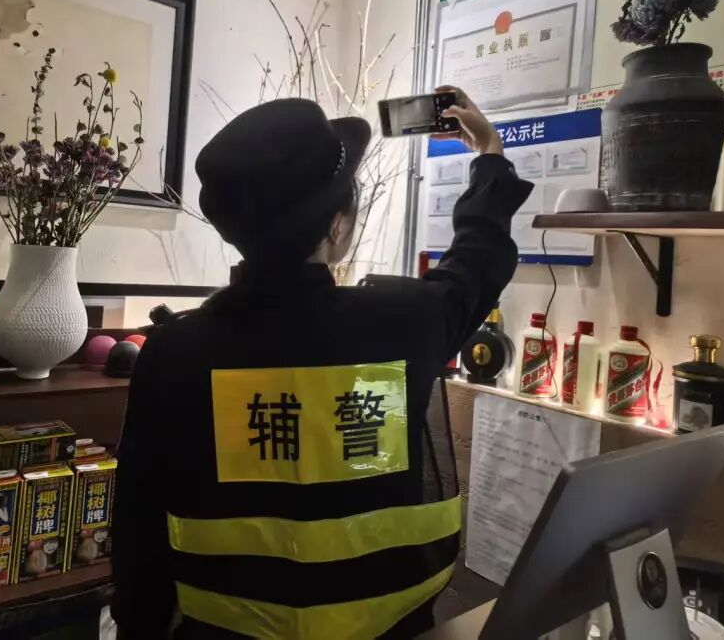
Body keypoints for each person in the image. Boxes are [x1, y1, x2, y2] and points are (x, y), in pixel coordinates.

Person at [111, 87, 533, 638]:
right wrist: (489, 156)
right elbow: (477, 259)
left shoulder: (173, 353)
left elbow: (138, 541)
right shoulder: (404, 323)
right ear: (337, 227)